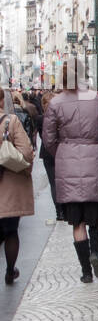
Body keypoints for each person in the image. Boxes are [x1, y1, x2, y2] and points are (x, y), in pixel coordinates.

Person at [43, 60, 98, 283]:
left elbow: (48, 138)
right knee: (96, 217)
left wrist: (63, 151)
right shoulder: (97, 97)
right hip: (94, 159)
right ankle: (96, 253)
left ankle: (86, 271)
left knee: (77, 222)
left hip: (67, 163)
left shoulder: (55, 103)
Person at [0, 89, 35, 284]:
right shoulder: (10, 121)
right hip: (9, 185)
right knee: (11, 231)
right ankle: (10, 270)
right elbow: (27, 153)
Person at [38, 91, 62, 220]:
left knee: (53, 183)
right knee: (62, 182)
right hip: (60, 151)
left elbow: (42, 136)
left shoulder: (40, 119)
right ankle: (64, 209)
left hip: (47, 153)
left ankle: (59, 212)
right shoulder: (60, 117)